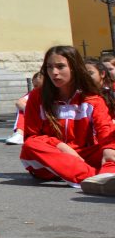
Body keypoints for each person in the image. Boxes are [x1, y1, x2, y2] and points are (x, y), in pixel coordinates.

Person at [19, 47, 115, 194]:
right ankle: (95, 178)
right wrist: (61, 146)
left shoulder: (92, 98)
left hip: (84, 155)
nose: (54, 72)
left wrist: (109, 148)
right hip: (51, 160)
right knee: (31, 145)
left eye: (60, 66)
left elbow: (105, 130)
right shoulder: (37, 97)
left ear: (75, 68)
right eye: (49, 67)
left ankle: (108, 177)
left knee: (111, 144)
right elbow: (31, 136)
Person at [6, 71, 43, 146]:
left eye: (39, 86)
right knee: (22, 107)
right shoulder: (34, 93)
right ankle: (20, 133)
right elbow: (19, 102)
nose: (36, 88)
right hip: (39, 119)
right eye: (35, 86)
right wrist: (30, 110)